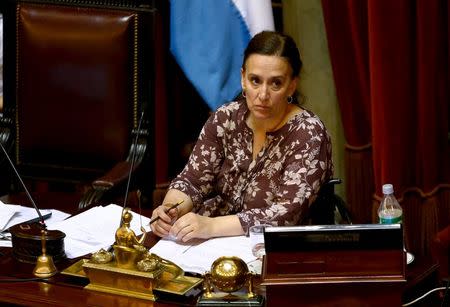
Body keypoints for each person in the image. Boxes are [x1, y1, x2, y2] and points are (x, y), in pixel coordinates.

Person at [150, 31, 333, 242]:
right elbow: (192, 181)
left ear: (291, 85)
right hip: (208, 247)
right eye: (255, 81)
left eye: (275, 83)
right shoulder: (225, 117)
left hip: (276, 253)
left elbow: (286, 214)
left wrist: (211, 226)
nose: (263, 95)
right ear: (243, 79)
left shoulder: (309, 134)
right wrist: (171, 209)